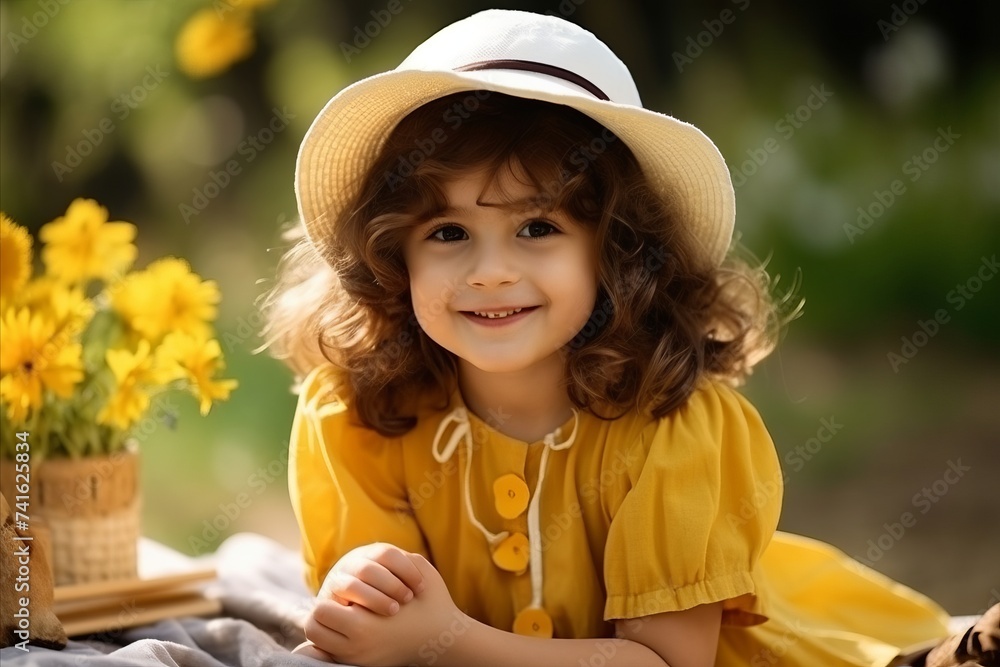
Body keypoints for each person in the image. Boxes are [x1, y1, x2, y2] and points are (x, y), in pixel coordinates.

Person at [263, 9, 976, 667]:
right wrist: (370, 597)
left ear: (618, 250)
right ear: (394, 256)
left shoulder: (674, 430)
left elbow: (665, 661)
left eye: (537, 227)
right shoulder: (358, 416)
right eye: (447, 233)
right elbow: (379, 622)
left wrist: (444, 640)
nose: (489, 273)